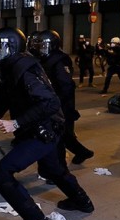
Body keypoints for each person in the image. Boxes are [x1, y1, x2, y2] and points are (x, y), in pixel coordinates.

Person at [0, 27, 94, 220]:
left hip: (43, 130)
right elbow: (4, 99)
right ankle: (82, 201)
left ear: (12, 47)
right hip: (40, 129)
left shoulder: (25, 68)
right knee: (54, 169)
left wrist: (16, 122)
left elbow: (50, 102)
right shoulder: (9, 67)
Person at [34, 30, 94, 165]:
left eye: (43, 45)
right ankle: (82, 152)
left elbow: (66, 85)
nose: (41, 48)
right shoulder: (43, 59)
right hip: (50, 103)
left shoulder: (60, 59)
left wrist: (61, 106)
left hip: (60, 104)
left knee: (58, 138)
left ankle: (59, 169)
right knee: (63, 135)